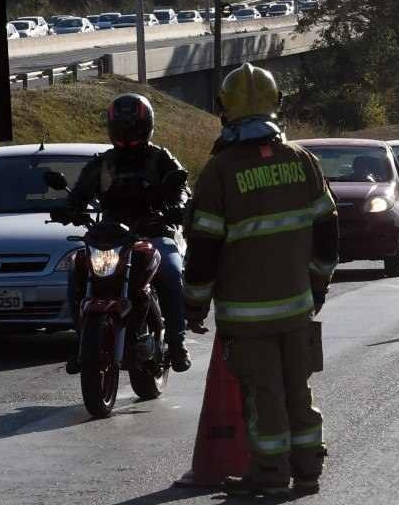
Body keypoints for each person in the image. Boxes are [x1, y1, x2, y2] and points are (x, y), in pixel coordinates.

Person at [182, 63, 339, 497]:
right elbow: (328, 233)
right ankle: (308, 470)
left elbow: (204, 249)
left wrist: (194, 305)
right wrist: (318, 285)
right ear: (276, 105)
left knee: (264, 395)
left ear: (224, 110)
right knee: (298, 390)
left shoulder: (220, 172)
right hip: (297, 307)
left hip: (247, 315)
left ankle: (269, 475)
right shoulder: (303, 161)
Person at [65, 93, 191, 373]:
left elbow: (183, 188)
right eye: (120, 127)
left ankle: (177, 341)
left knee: (171, 272)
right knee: (78, 268)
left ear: (146, 126)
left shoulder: (160, 158)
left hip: (154, 232)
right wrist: (69, 208)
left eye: (132, 127)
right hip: (111, 237)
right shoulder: (103, 163)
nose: (126, 133)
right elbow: (80, 192)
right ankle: (80, 339)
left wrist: (179, 206)